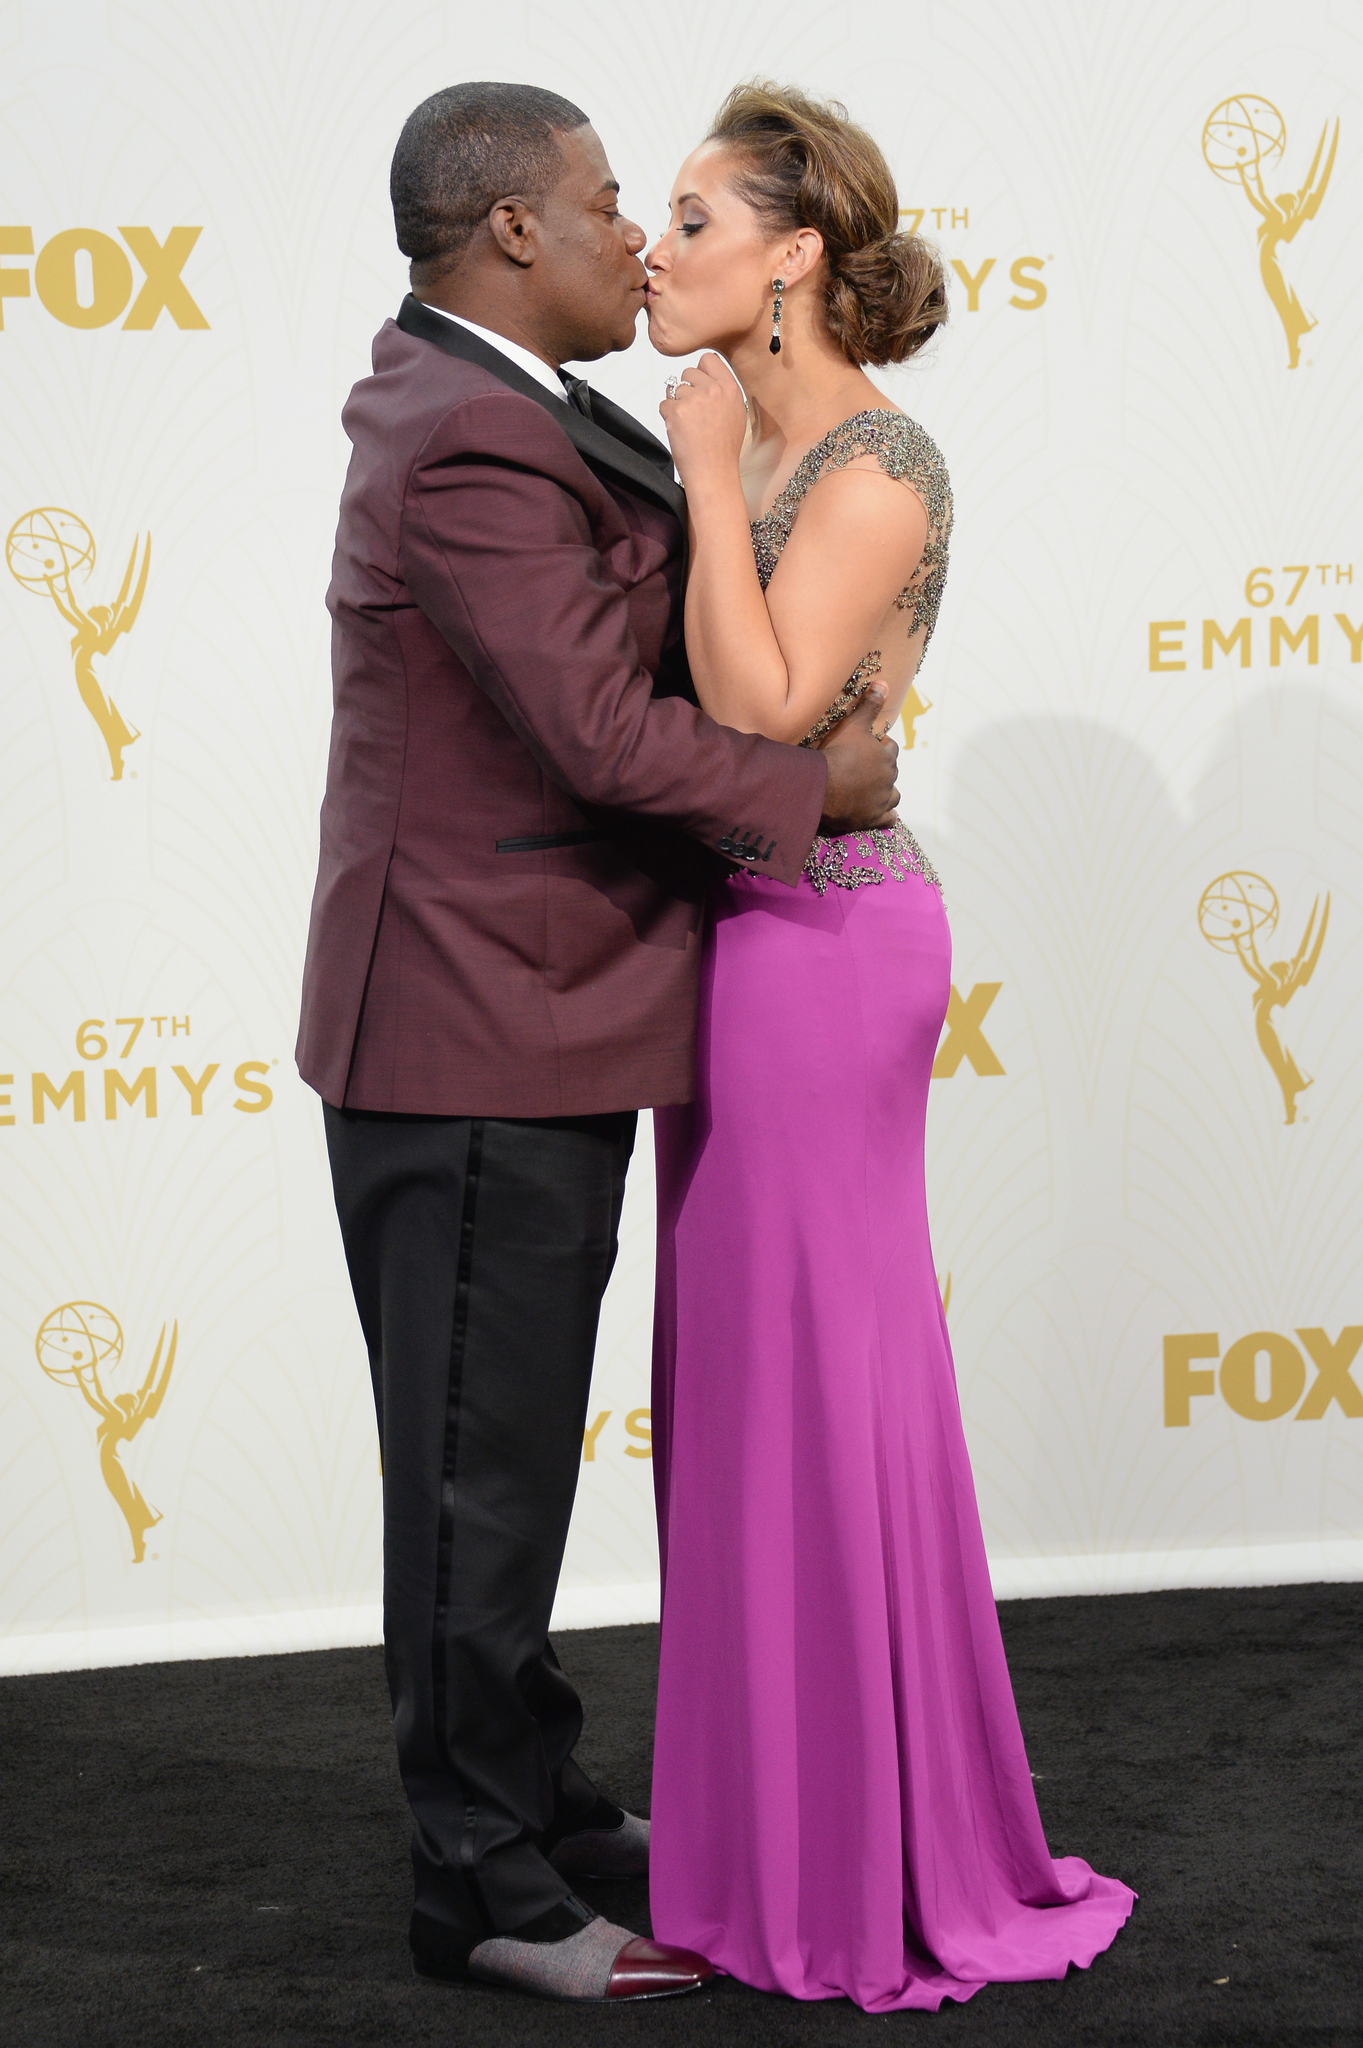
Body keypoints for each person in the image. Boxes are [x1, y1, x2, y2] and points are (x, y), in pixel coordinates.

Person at [295, 82, 898, 2006]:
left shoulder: (514, 401)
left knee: (505, 1452)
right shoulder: (470, 434)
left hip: (534, 1013)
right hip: (475, 1029)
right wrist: (826, 779)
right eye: (610, 199)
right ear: (513, 236)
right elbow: (601, 738)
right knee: (473, 1473)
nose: (639, 231)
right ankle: (475, 1879)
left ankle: (532, 1792)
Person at [645, 82, 1136, 2011]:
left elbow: (765, 701)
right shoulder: (730, 440)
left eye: (692, 219)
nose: (656, 249)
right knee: (742, 1393)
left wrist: (694, 474)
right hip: (732, 942)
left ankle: (873, 1857)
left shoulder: (868, 460)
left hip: (827, 950)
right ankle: (774, 1840)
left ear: (793, 259)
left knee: (823, 1385)